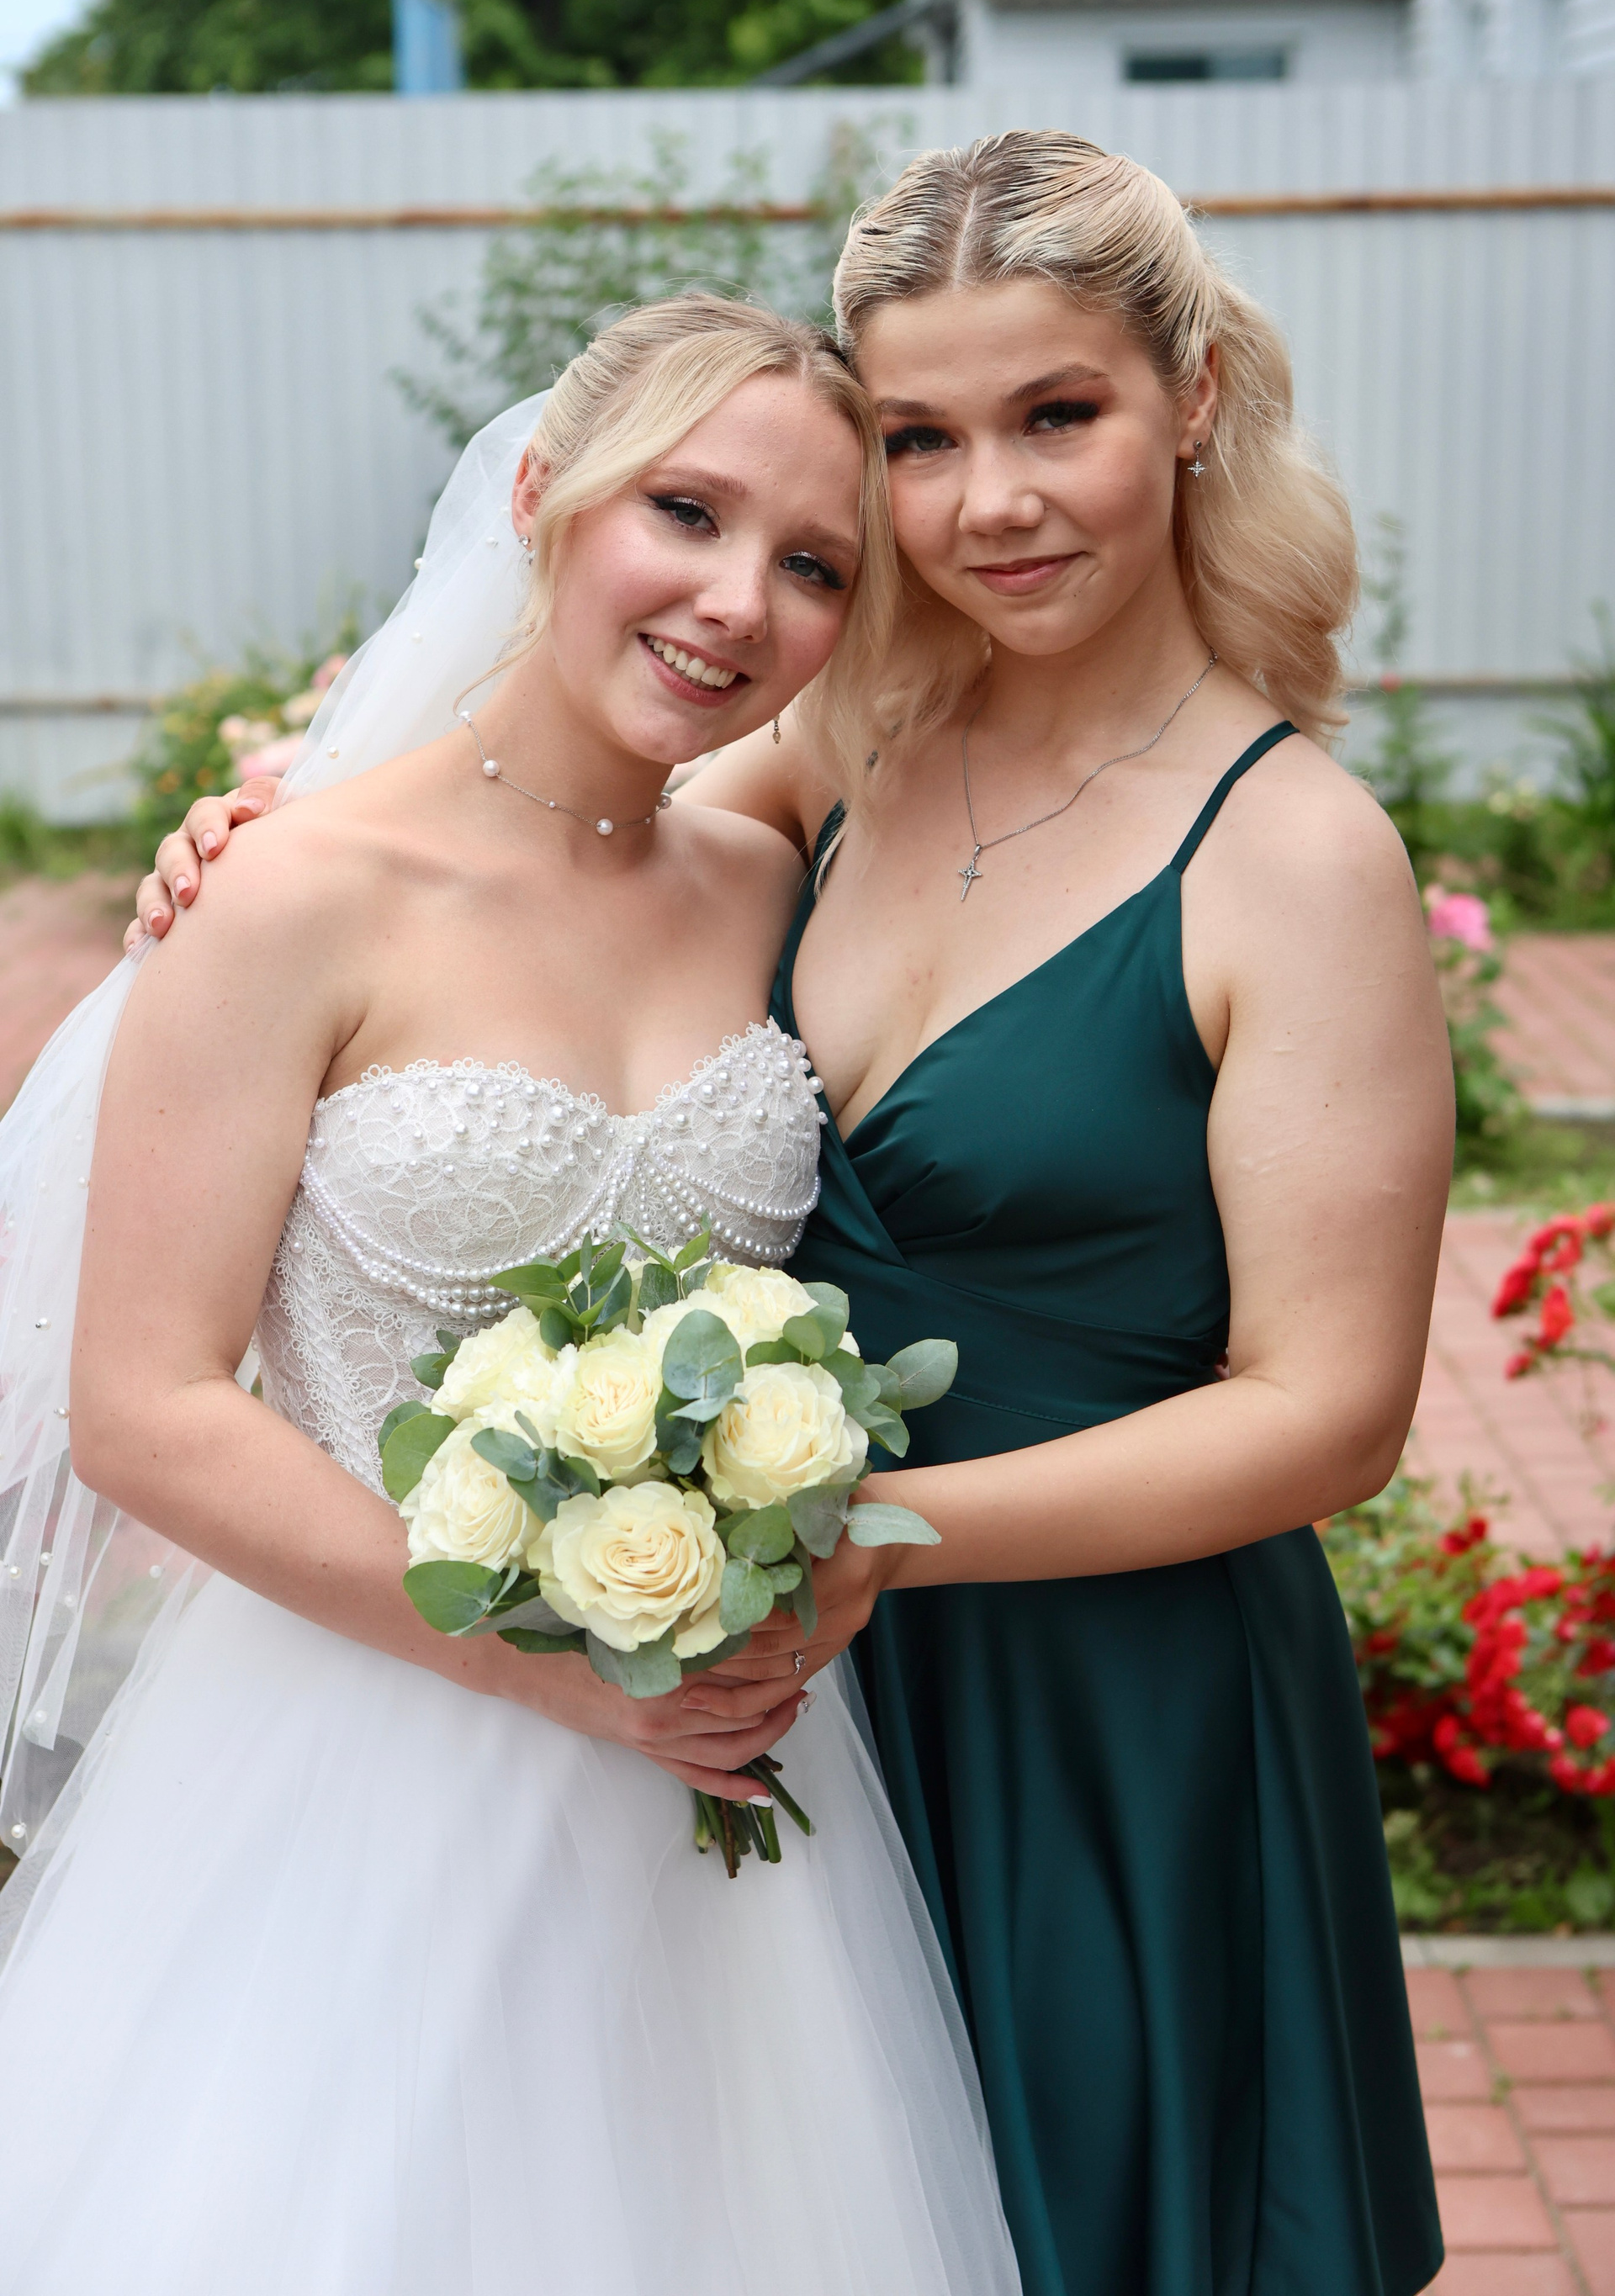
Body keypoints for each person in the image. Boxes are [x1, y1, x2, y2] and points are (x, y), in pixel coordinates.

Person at [130, 133, 1454, 2296]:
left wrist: (868, 1540)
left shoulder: (1294, 855)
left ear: (1192, 397)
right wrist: (274, 827)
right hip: (782, 1688)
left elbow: (1330, 1413)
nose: (990, 503)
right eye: (921, 440)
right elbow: (544, 854)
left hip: (1100, 1705)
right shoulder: (848, 750)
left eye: (1058, 415)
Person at [0, 295, 1024, 2296]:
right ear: (544, 495)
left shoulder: (766, 883)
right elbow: (144, 1406)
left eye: (814, 567)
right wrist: (546, 1674)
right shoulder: (287, 896)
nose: (737, 603)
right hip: (364, 1747)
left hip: (730, 1764)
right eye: (686, 513)